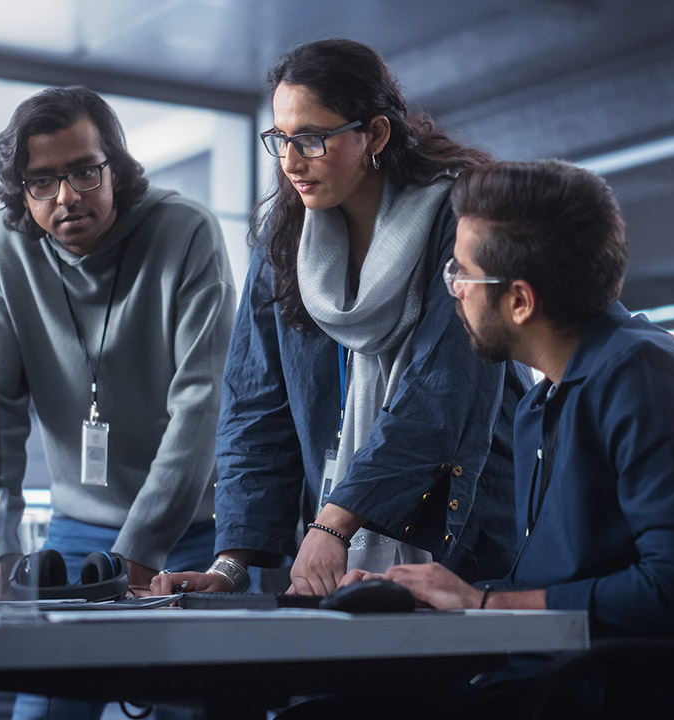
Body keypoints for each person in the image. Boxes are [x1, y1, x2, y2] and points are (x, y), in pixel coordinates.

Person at [284, 159, 674, 717]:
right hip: (539, 681)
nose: (453, 291)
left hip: (600, 693)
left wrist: (481, 603)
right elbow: (545, 583)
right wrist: (420, 596)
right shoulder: (543, 401)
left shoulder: (644, 378)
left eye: (461, 273)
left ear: (521, 301)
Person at [153, 39, 528, 598]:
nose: (290, 162)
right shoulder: (285, 239)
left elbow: (440, 391)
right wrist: (229, 566)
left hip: (464, 531)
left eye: (311, 139)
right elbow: (256, 407)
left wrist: (336, 521)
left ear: (374, 134)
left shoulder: (461, 225)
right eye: (280, 139)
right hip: (335, 543)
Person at [0, 86, 235, 720]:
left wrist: (140, 550)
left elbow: (201, 406)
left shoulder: (186, 232)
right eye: (41, 181)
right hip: (77, 528)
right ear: (21, 192)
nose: (66, 196)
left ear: (115, 169)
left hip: (192, 533)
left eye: (83, 172)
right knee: (43, 711)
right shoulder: (5, 250)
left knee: (185, 707)